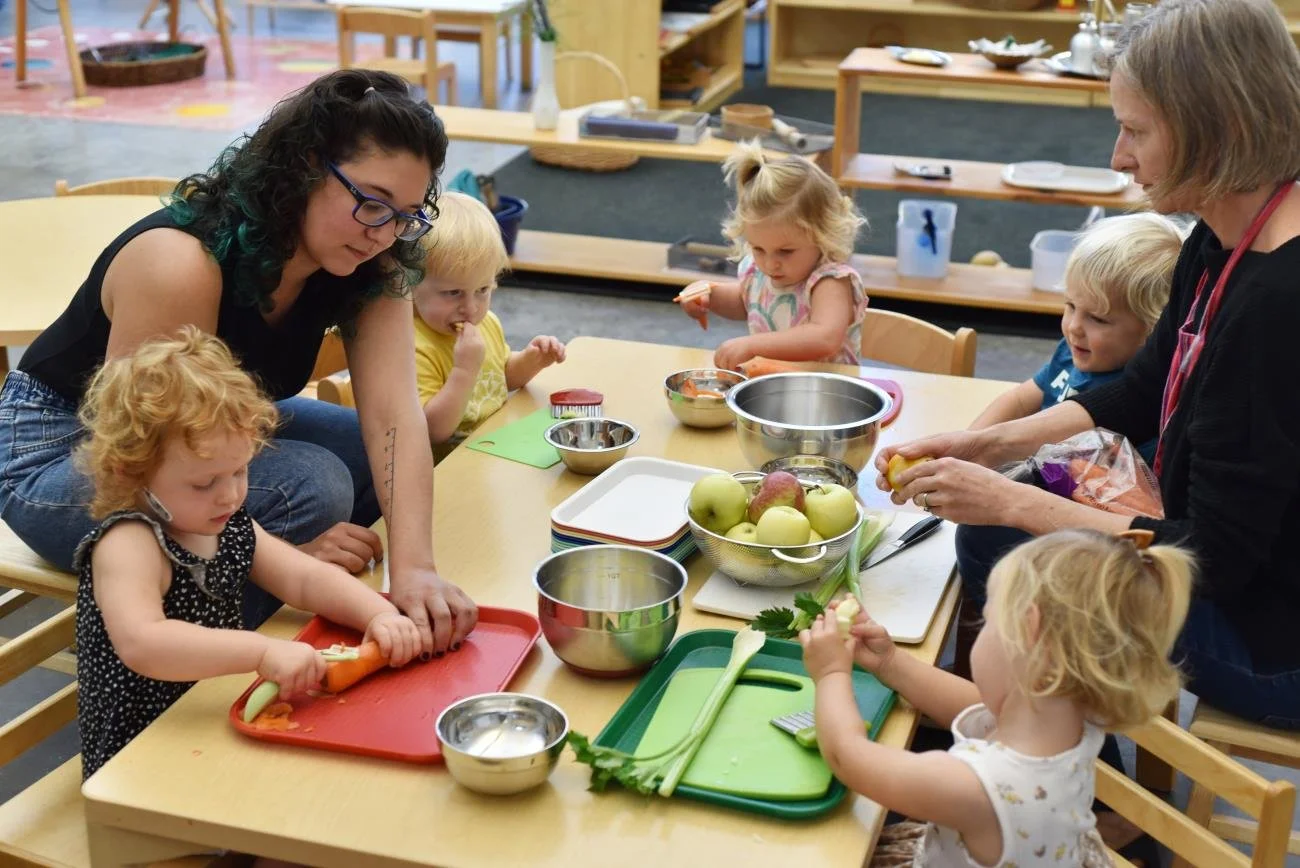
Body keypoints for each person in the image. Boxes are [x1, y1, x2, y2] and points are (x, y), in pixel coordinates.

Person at [0, 69, 476, 653]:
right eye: (371, 203)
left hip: (198, 437)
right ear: (305, 165)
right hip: (66, 451)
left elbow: (395, 420)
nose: (385, 233)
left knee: (362, 449)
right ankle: (225, 665)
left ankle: (305, 611)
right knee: (313, 485)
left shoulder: (371, 258)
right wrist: (284, 562)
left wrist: (415, 572)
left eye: (407, 214)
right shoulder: (182, 264)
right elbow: (141, 465)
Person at [73, 328, 421, 781]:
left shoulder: (227, 523)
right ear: (131, 472)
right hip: (144, 758)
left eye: (240, 471)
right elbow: (145, 643)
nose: (230, 495)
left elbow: (305, 579)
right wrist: (260, 651)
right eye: (204, 483)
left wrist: (378, 615)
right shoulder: (129, 543)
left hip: (218, 719)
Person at [800, 529, 1191, 867]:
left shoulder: (974, 785)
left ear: (1029, 632)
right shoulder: (1071, 719)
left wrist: (832, 673)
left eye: (987, 619)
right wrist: (891, 663)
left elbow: (847, 758)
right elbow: (975, 706)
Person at [969, 213, 1185, 466]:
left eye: (1098, 319)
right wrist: (970, 443)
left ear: (1154, 331)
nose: (1074, 328)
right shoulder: (1072, 353)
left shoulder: (1142, 401)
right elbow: (1017, 400)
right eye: (1070, 306)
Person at [678, 139, 869, 371]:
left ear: (823, 236)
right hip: (776, 389)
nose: (770, 264)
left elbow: (824, 337)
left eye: (785, 251)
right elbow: (744, 300)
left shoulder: (830, 281)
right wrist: (708, 294)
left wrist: (753, 345)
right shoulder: (759, 270)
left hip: (829, 395)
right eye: (758, 248)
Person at [412, 191, 566, 461]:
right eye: (453, 293)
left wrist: (532, 360)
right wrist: (464, 370)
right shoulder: (413, 346)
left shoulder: (486, 323)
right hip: (447, 468)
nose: (470, 308)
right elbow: (433, 431)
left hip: (494, 450)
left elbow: (499, 379)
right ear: (411, 285)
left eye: (483, 289)